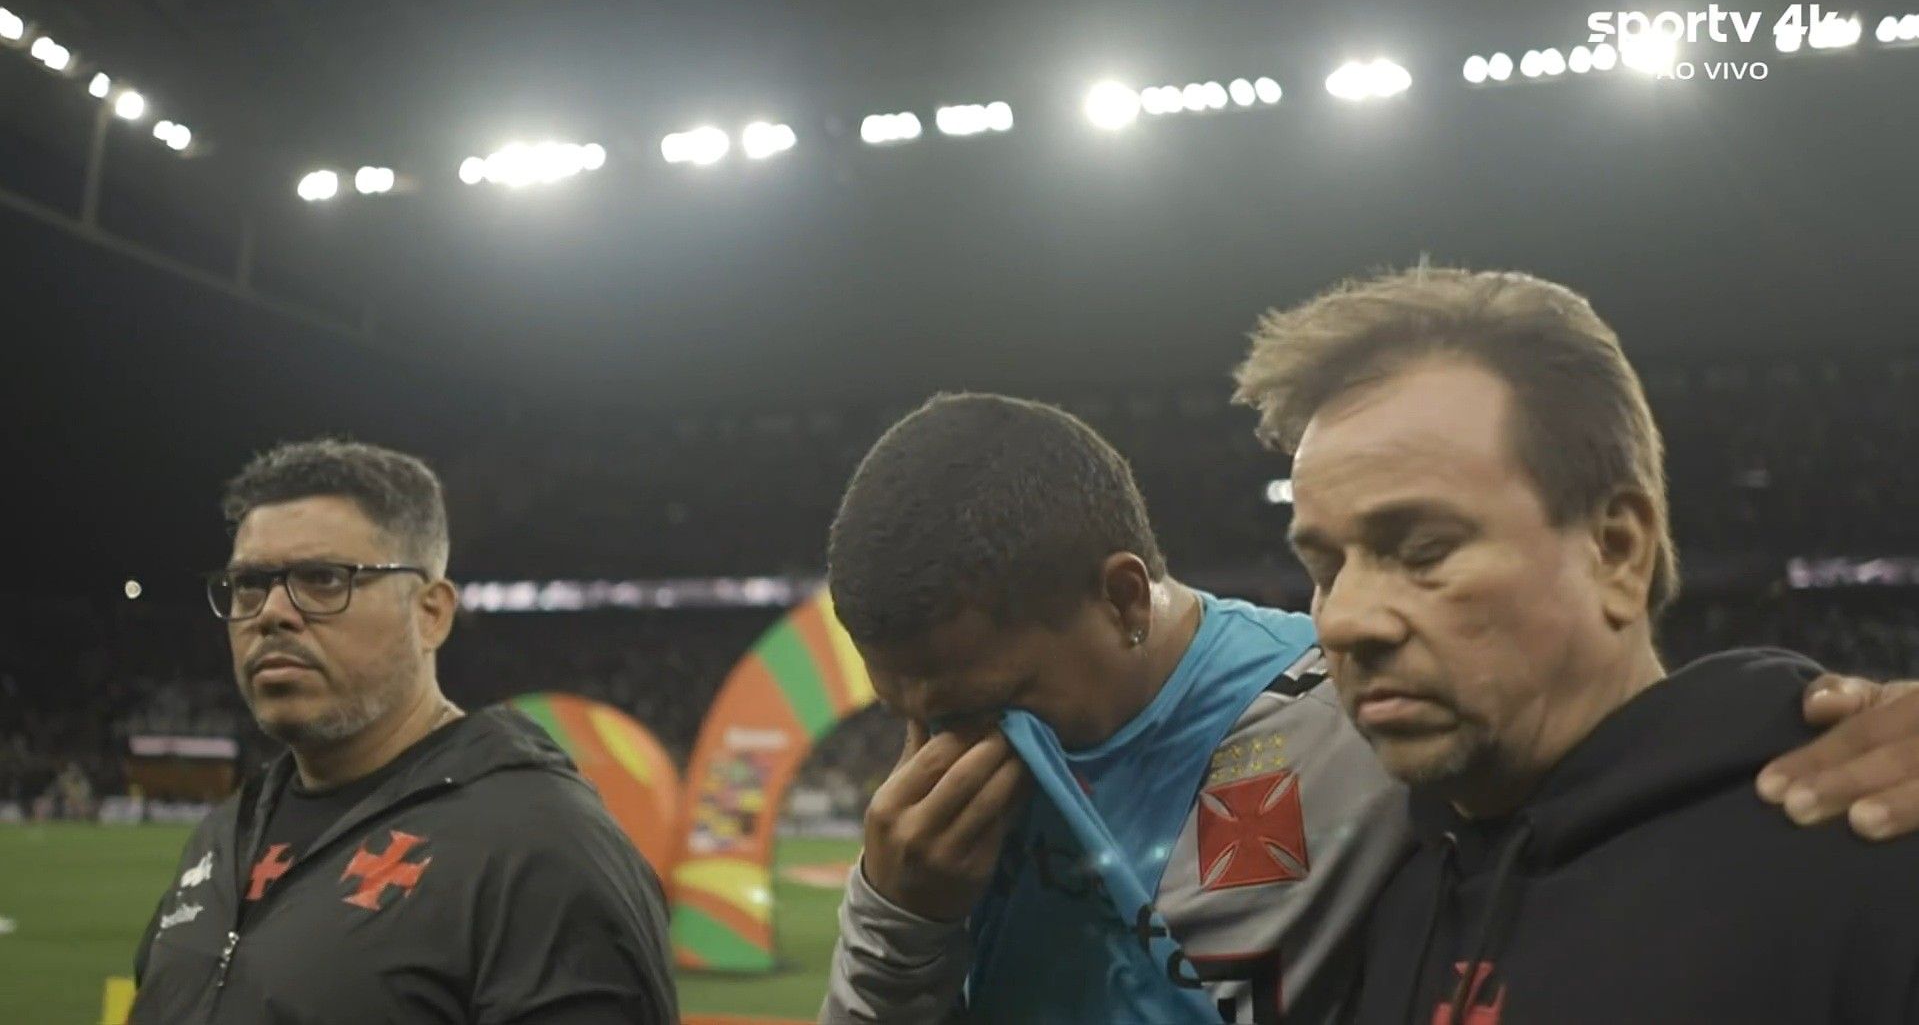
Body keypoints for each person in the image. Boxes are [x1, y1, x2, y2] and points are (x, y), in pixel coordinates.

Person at [819, 390, 1919, 1025]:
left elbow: (1637, 754)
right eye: (909, 713)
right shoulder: (938, 809)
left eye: (994, 703)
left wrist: (1851, 719)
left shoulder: (1349, 705)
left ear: (1119, 596)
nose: (939, 750)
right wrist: (895, 921)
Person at [1233, 266, 1919, 1022]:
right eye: (1324, 567)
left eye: (1423, 550)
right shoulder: (1376, 888)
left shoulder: (1859, 839)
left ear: (1616, 550)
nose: (1343, 619)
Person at [130, 439, 678, 1025]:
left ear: (431, 613)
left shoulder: (541, 848)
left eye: (322, 579)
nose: (270, 612)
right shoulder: (224, 837)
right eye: (249, 585)